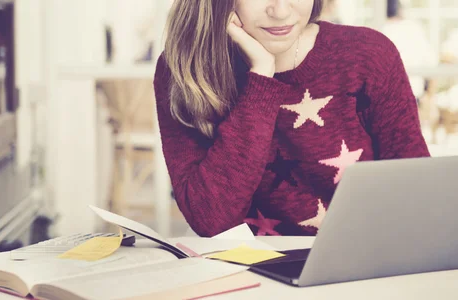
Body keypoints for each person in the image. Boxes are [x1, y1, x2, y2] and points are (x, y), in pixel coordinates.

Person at [153, 0, 430, 238]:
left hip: (357, 267)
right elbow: (209, 220)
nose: (281, 11)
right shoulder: (185, 70)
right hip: (243, 276)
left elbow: (418, 192)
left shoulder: (368, 55)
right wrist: (261, 77)